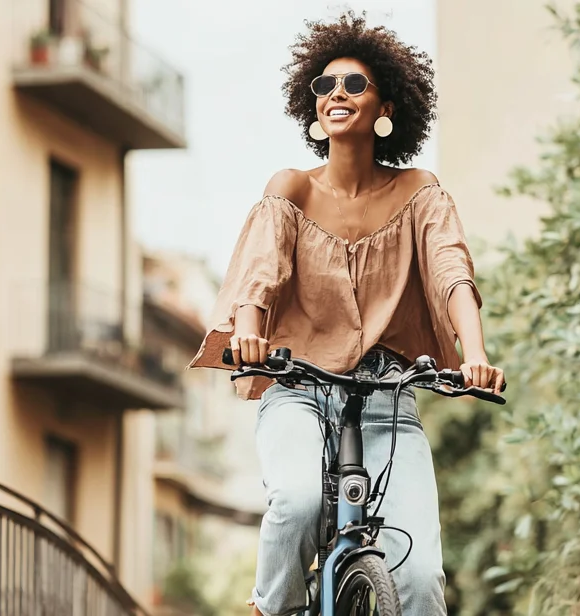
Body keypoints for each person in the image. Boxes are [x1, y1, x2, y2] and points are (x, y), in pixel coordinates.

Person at [188, 11, 505, 616]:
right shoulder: (292, 189)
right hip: (300, 387)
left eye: (354, 84)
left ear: (385, 106)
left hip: (389, 397)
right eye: (325, 85)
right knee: (300, 502)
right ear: (313, 108)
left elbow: (451, 272)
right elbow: (260, 271)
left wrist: (476, 355)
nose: (337, 93)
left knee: (419, 584)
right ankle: (270, 608)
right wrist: (250, 334)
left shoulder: (419, 191)